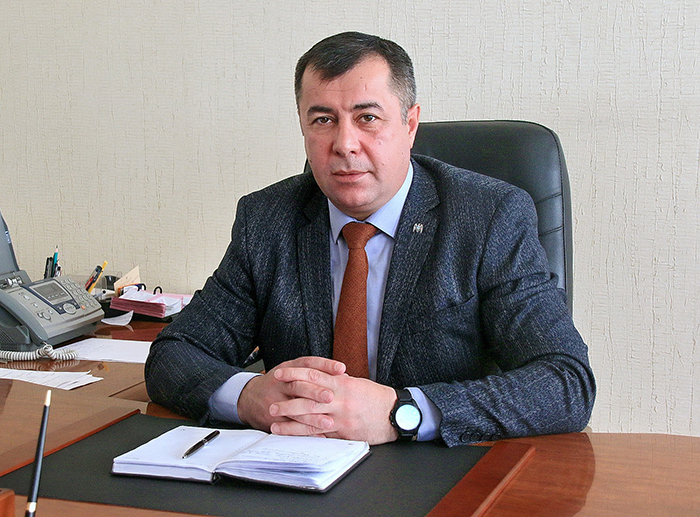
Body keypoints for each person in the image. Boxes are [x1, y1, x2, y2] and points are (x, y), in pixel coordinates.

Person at [145, 31, 595, 447]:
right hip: (295, 471)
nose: (345, 144)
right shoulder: (266, 219)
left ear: (410, 124)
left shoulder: (488, 216)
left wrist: (402, 413)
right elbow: (175, 354)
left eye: (367, 118)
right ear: (303, 127)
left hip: (439, 473)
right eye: (323, 120)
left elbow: (566, 382)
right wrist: (248, 396)